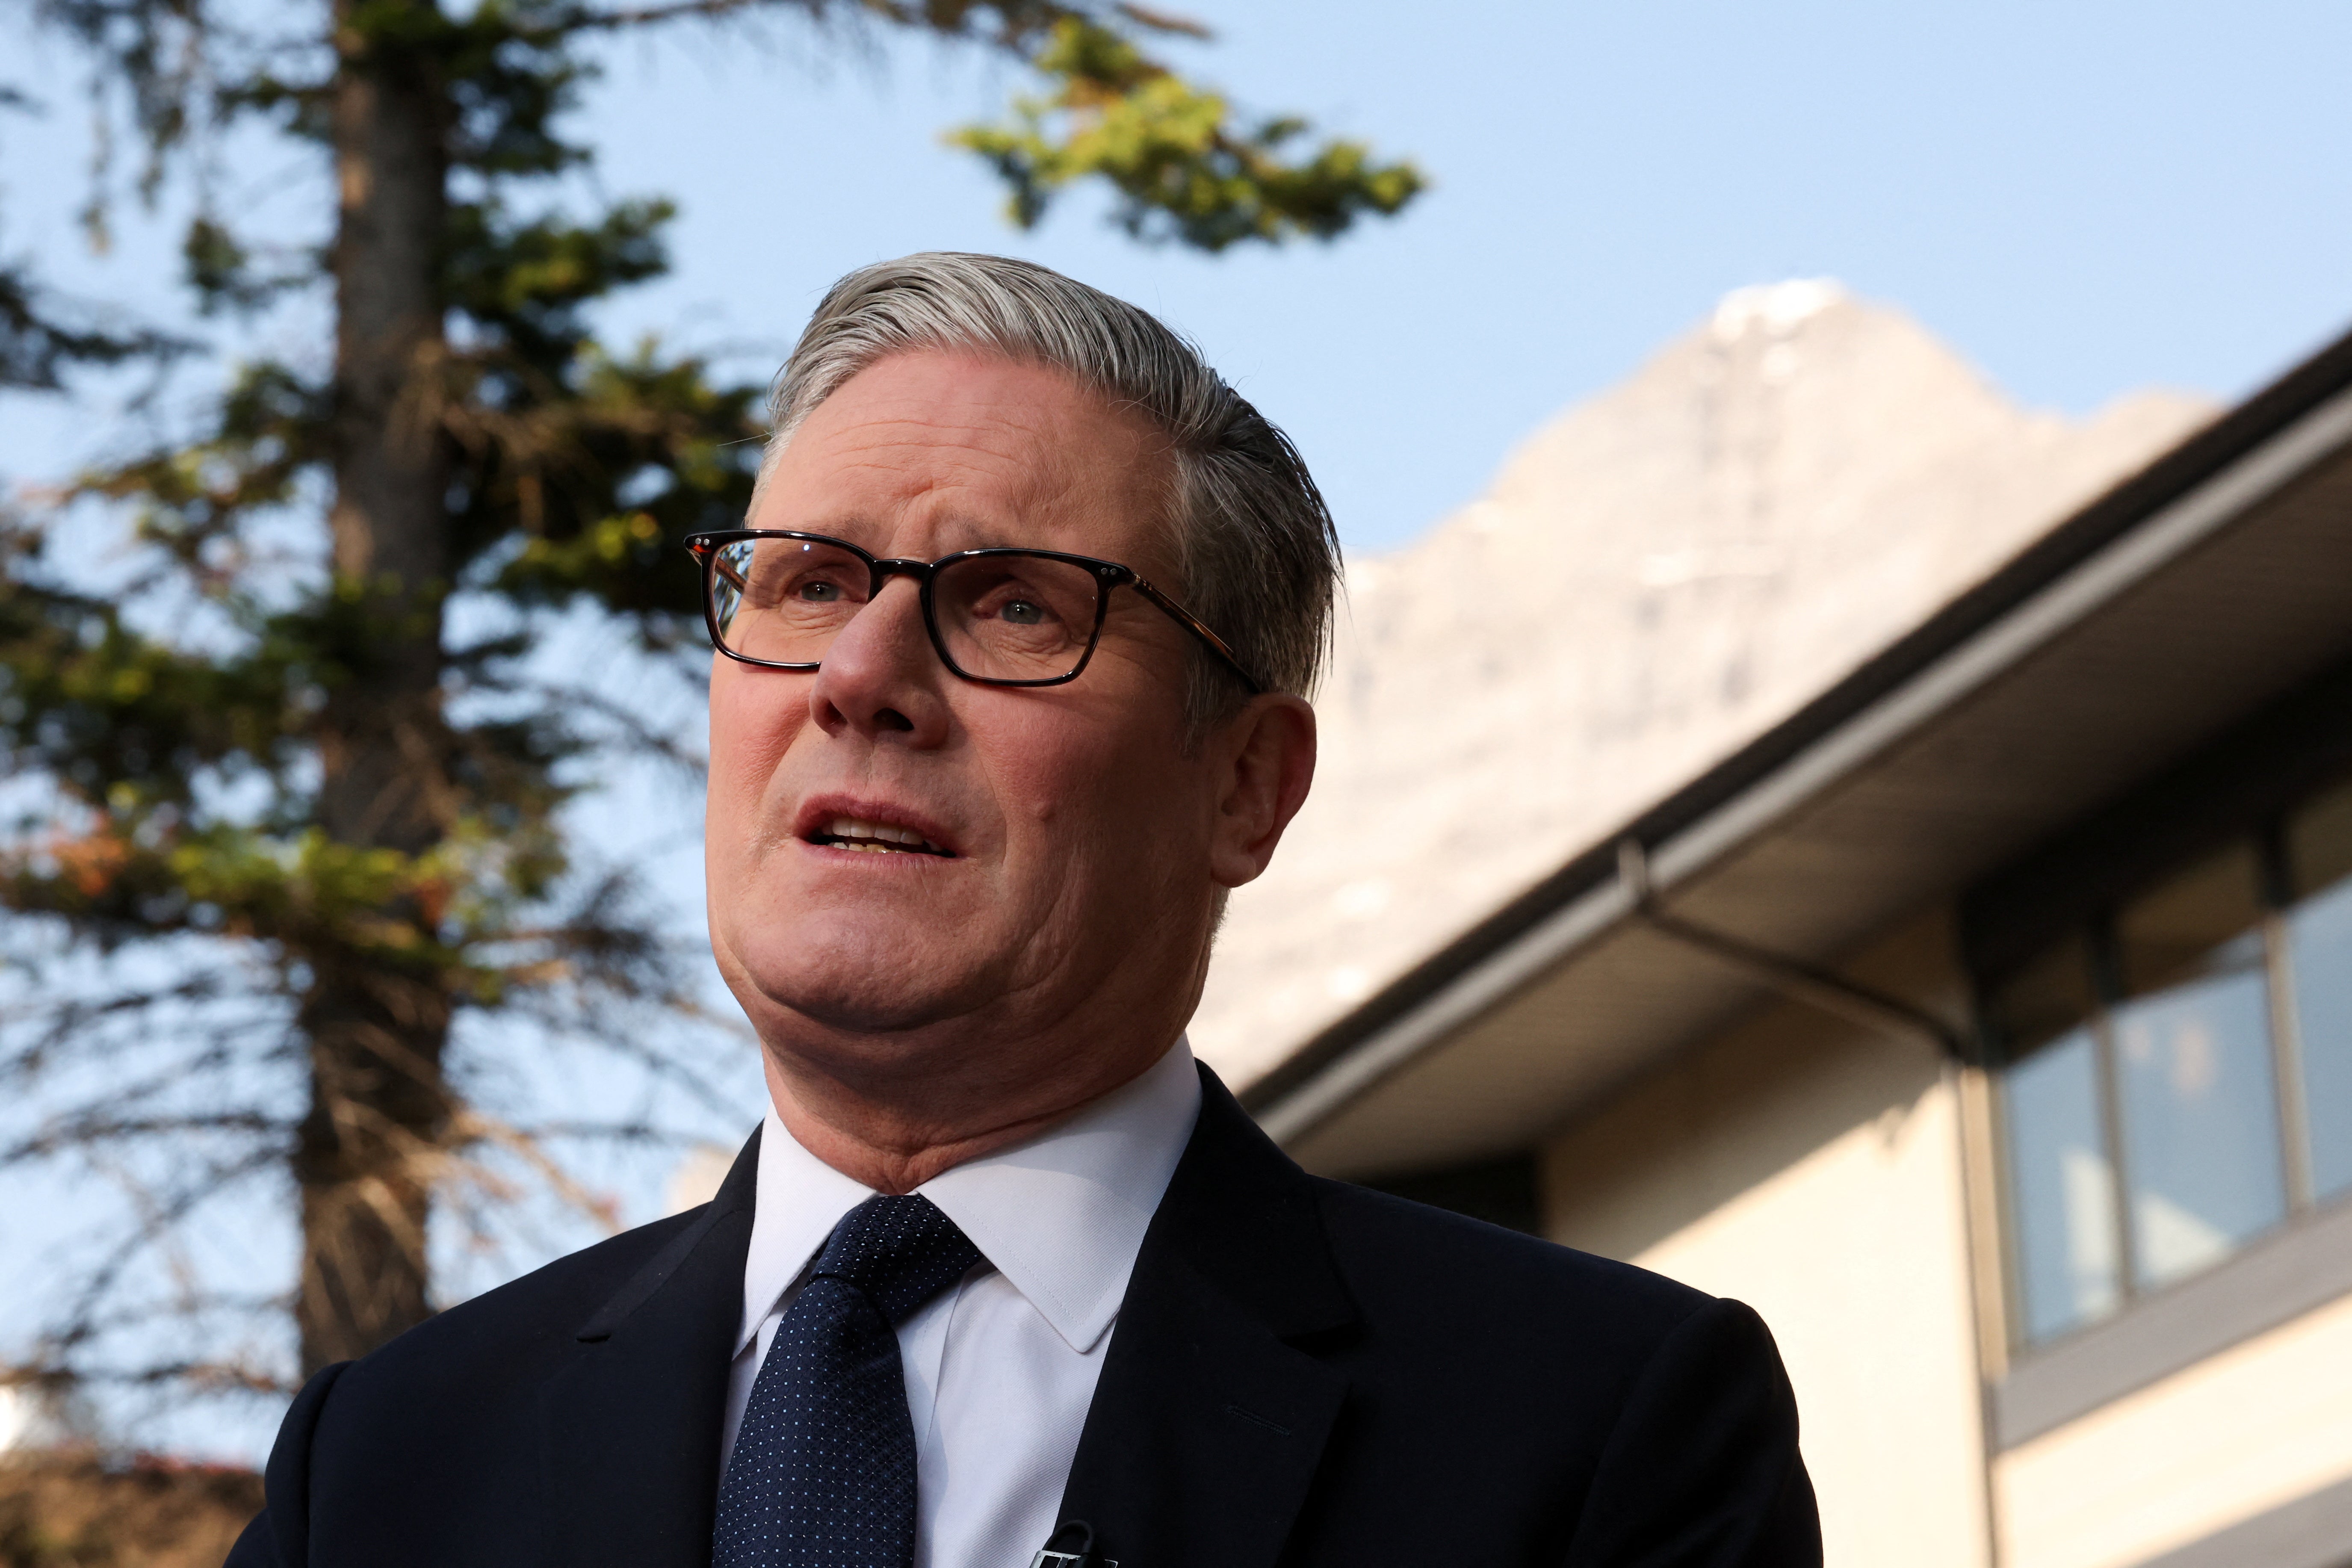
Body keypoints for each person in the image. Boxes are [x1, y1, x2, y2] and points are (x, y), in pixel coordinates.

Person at [228, 253, 1820, 1568]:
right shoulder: (378, 1474)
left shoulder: (1597, 1430)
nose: (860, 677)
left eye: (1013, 605)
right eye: (803, 585)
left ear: (1244, 786)